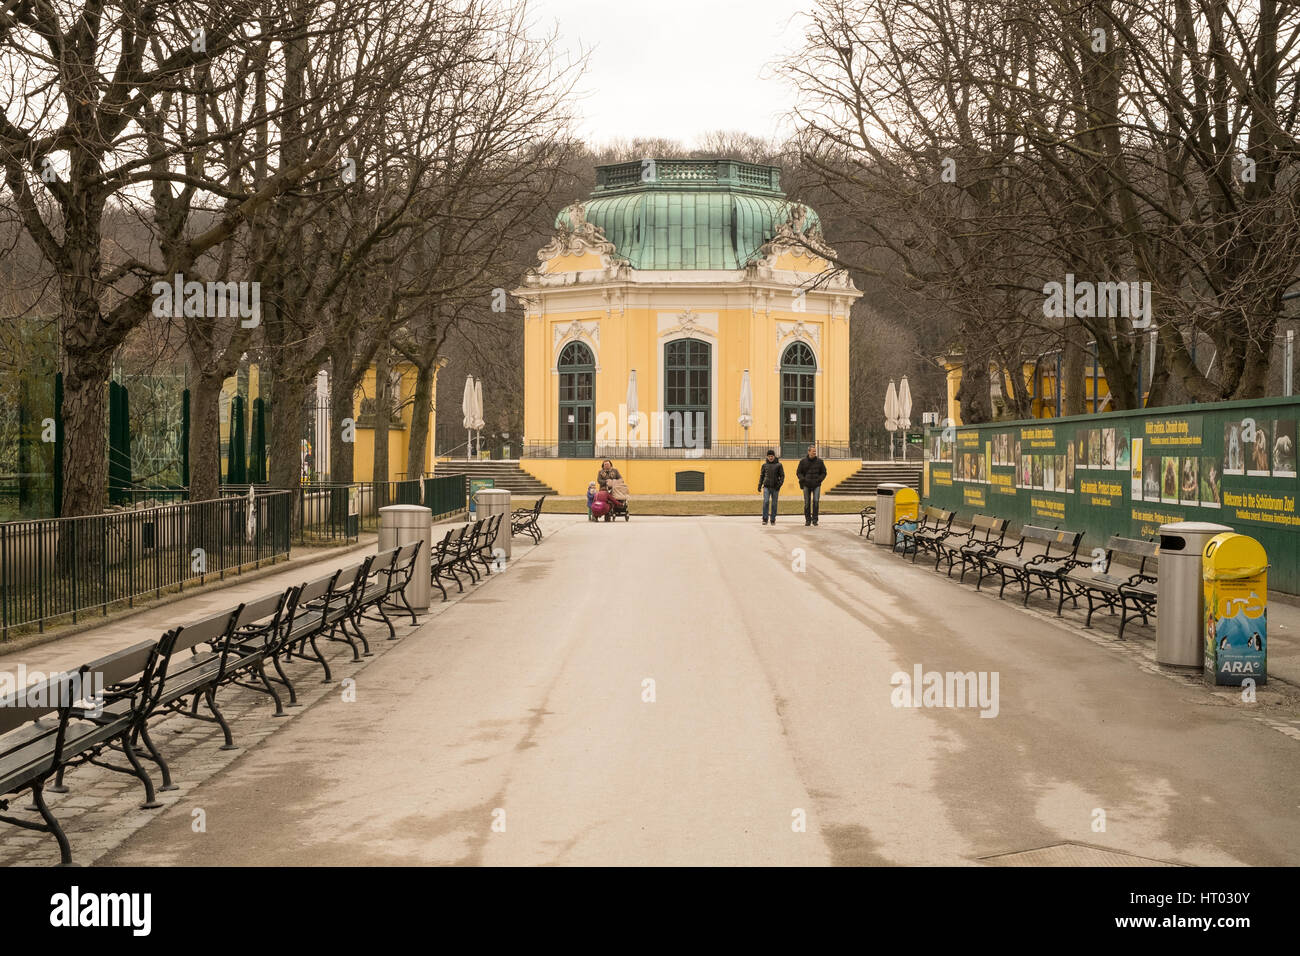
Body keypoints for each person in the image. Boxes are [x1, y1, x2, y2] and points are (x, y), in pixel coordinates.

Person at [796, 444, 827, 526]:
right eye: (813, 451)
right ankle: (808, 520)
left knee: (816, 501)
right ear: (808, 452)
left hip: (816, 485)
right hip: (806, 484)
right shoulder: (802, 462)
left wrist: (819, 480)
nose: (814, 453)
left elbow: (824, 472)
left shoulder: (820, 462)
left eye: (815, 451)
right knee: (807, 503)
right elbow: (798, 472)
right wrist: (803, 479)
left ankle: (815, 520)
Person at [757, 449, 785, 525]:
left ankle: (773, 519)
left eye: (772, 456)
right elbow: (762, 476)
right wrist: (759, 485)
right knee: (766, 502)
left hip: (775, 488)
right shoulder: (764, 465)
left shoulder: (779, 465)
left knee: (774, 504)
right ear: (767, 457)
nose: (770, 458)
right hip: (766, 487)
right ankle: (765, 519)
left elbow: (782, 476)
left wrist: (779, 485)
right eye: (769, 456)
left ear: (774, 456)